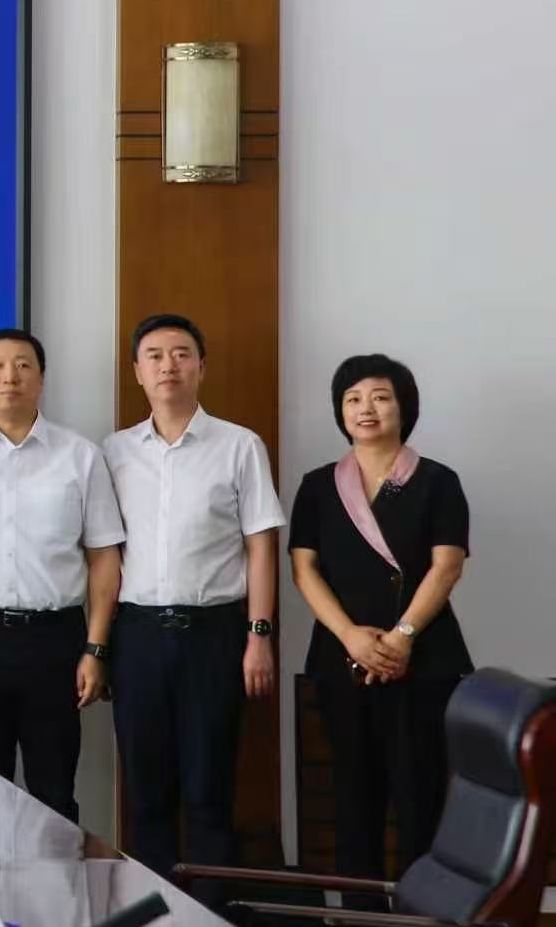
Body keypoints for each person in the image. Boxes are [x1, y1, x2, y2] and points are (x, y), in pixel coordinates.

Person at [103, 313, 283, 884]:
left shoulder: (239, 446)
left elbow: (261, 546)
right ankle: (153, 913)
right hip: (137, 636)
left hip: (215, 634)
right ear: (137, 371)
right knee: (145, 790)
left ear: (201, 367)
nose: (168, 366)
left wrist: (259, 635)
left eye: (181, 354)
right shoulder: (113, 452)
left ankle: (212, 915)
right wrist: (98, 645)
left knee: (209, 787)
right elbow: (103, 556)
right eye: (154, 356)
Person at [289, 354, 471, 894]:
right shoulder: (318, 486)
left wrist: (401, 638)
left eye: (380, 397)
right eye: (352, 399)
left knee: (420, 801)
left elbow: (447, 565)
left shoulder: (437, 481)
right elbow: (303, 569)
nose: (365, 408)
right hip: (341, 661)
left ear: (404, 407)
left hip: (424, 660)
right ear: (340, 412)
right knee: (351, 802)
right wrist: (350, 636)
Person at [0, 329, 124, 821]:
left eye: (23, 365)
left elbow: (104, 557)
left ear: (41, 379)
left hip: (55, 640)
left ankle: (55, 876)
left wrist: (95, 648)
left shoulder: (80, 456)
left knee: (54, 792)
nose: (10, 376)